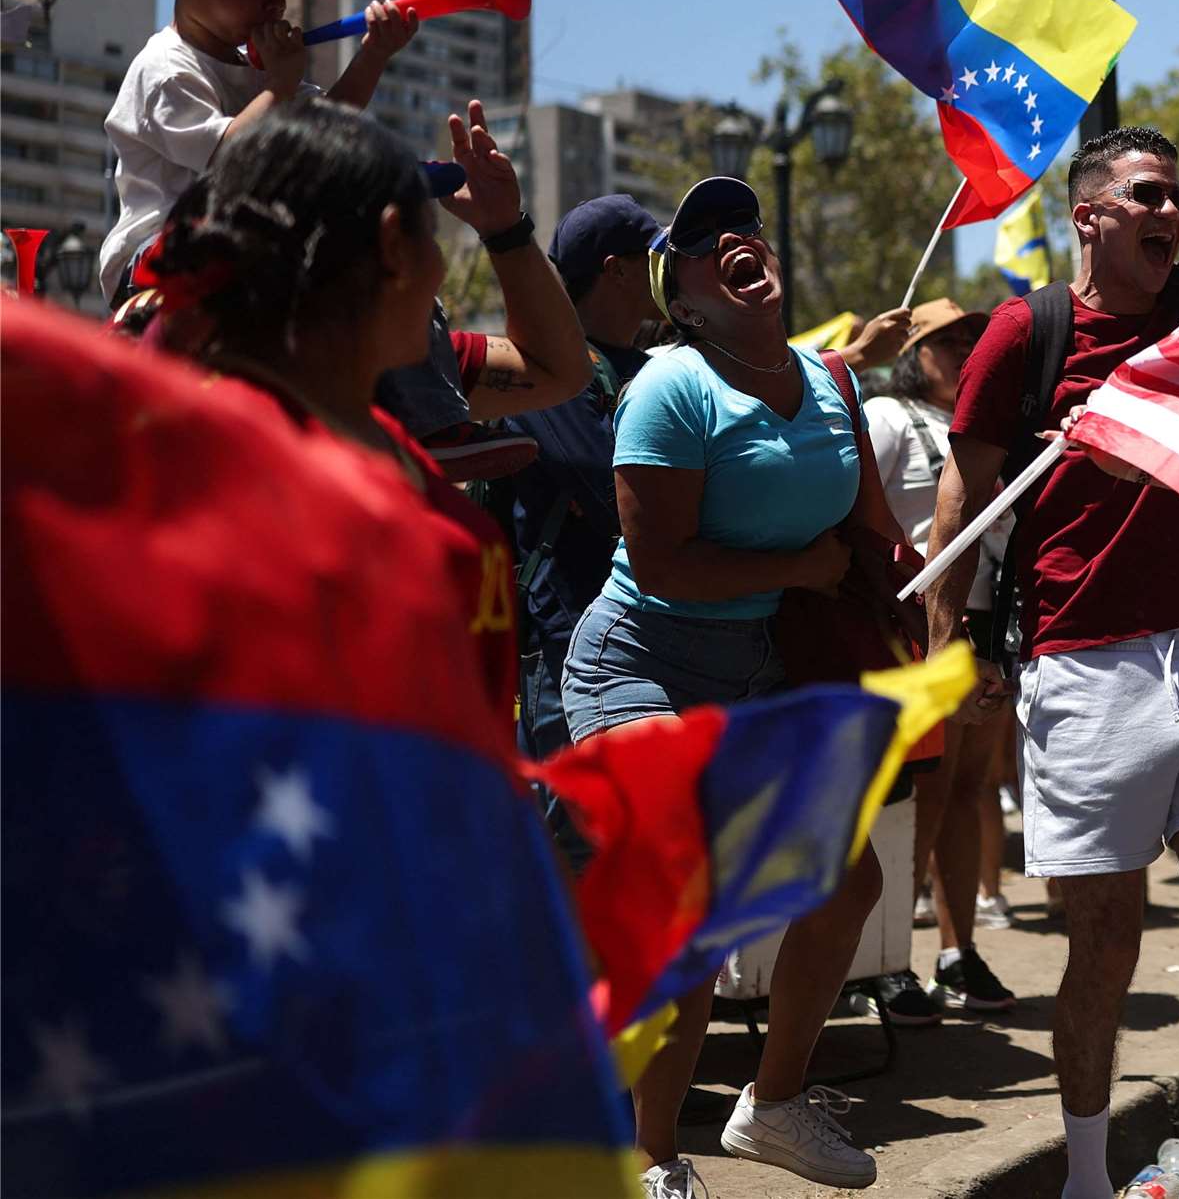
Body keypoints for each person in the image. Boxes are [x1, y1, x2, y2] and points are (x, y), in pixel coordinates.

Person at [923, 0, 1179, 1199]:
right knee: (1102, 940)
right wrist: (958, 652)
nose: (1173, 211)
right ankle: (1089, 1176)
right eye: (1148, 195)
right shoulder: (1021, 331)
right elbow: (962, 497)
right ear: (1091, 214)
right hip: (1081, 674)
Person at [562, 175, 900, 1193]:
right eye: (704, 242)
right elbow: (659, 562)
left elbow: (874, 536)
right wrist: (796, 572)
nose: (734, 242)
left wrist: (939, 616)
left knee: (852, 880)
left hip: (759, 665)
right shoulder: (670, 387)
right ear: (684, 298)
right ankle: (656, 1159)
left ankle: (774, 1103)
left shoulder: (833, 380)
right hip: (639, 663)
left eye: (744, 229)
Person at [132, 98, 547, 721]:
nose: (438, 268)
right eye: (430, 235)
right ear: (394, 247)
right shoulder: (449, 537)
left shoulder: (163, 457)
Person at [100, 0, 418, 299]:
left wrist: (373, 55)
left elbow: (328, 127)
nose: (278, 1)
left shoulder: (259, 72)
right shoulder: (164, 69)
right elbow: (231, 157)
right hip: (153, 265)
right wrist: (280, 84)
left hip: (228, 255)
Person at [482, 194, 668, 860]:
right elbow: (616, 490)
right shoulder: (543, 376)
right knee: (579, 839)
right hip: (567, 646)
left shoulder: (652, 371)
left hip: (650, 639)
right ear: (616, 272)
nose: (669, 269)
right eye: (656, 256)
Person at [863, 297, 1019, 1017]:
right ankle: (886, 961)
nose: (962, 350)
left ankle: (959, 952)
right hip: (914, 627)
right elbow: (862, 506)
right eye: (944, 340)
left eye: (971, 339)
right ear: (911, 354)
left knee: (969, 789)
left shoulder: (993, 430)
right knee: (917, 796)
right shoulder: (890, 417)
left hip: (986, 624)